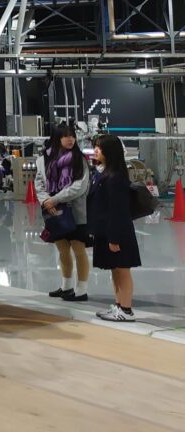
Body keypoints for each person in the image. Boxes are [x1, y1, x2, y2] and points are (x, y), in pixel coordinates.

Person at [89, 134, 141, 322]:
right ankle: (119, 305)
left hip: (118, 232)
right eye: (95, 146)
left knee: (122, 270)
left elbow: (118, 210)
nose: (96, 150)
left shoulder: (115, 177)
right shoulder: (105, 173)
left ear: (110, 151)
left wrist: (114, 238)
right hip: (108, 231)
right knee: (115, 270)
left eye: (100, 147)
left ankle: (126, 310)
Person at [37, 124, 91, 303]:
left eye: (72, 136)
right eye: (66, 136)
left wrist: (55, 199)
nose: (70, 139)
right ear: (56, 138)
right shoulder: (43, 160)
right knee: (62, 250)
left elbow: (80, 186)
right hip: (54, 212)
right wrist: (46, 201)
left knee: (78, 249)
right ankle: (66, 286)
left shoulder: (79, 159)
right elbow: (39, 183)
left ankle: (81, 290)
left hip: (75, 211)